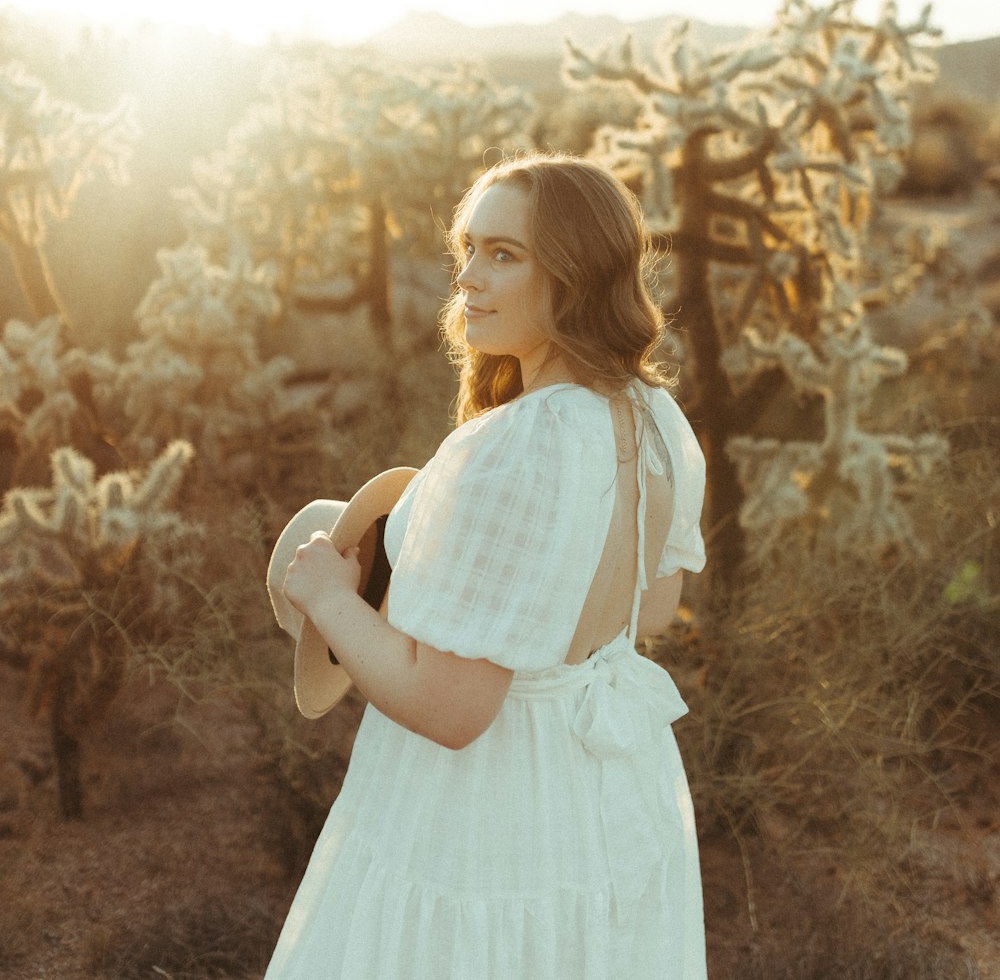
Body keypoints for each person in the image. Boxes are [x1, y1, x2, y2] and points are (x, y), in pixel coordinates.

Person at [266, 152, 707, 978]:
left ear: (576, 273)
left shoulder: (510, 450)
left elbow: (454, 707)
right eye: (468, 249)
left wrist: (331, 597)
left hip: (492, 810)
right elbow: (649, 613)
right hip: (610, 793)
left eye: (504, 254)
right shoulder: (655, 418)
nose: (467, 277)